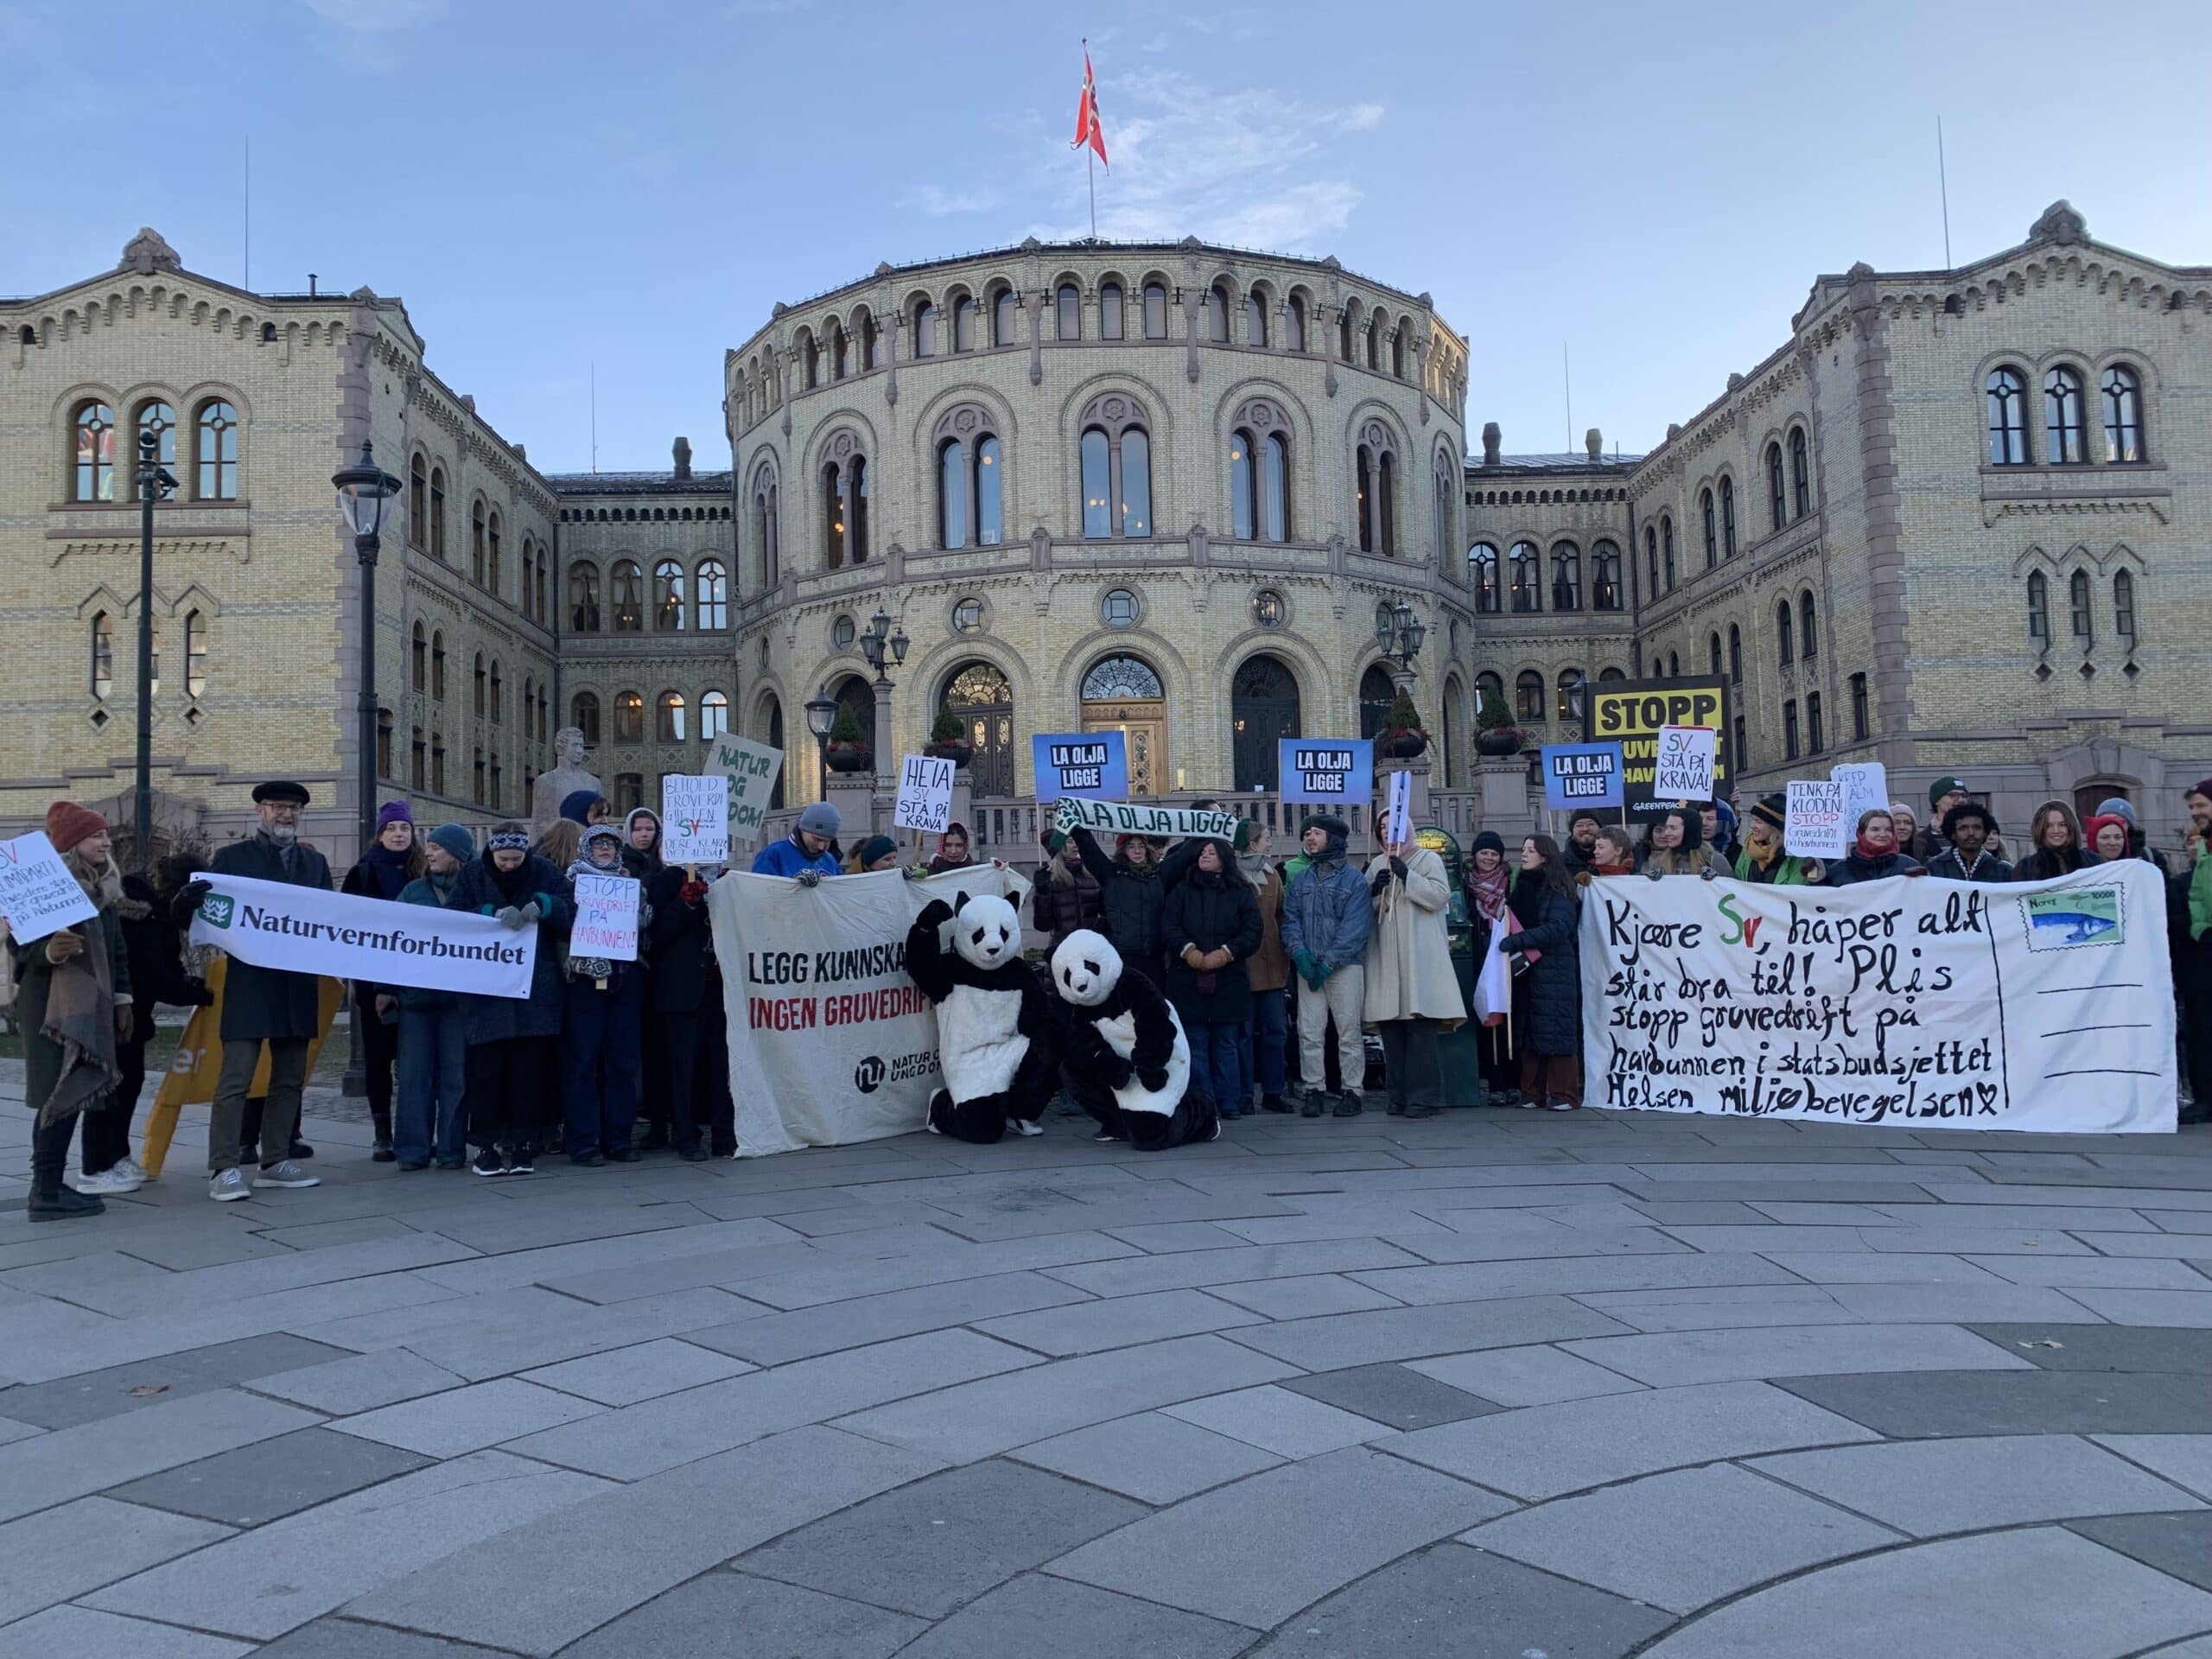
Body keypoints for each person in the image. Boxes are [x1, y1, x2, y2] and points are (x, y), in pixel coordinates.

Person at [172, 781, 327, 1203]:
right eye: (278, 807)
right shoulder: (232, 858)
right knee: (236, 1078)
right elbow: (201, 921)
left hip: (297, 982)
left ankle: (275, 1159)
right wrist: (184, 904)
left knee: (290, 1078)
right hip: (250, 982)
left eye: (293, 808)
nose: (286, 815)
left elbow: (332, 921)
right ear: (260, 811)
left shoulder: (314, 863)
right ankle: (223, 1167)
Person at [18, 804, 134, 1221]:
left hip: (94, 1004)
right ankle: (45, 1190)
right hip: (50, 1008)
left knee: (71, 1094)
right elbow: (20, 948)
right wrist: (48, 951)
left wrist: (123, 999)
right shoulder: (44, 887)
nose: (105, 842)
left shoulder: (106, 888)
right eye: (95, 836)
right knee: (57, 1095)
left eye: (105, 835)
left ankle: (50, 1186)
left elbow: (118, 951)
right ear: (71, 845)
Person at [75, 851, 211, 1195]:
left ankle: (115, 1155)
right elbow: (155, 976)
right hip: (117, 1015)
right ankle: (97, 1165)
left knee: (126, 1084)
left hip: (126, 1014)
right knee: (113, 1089)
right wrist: (198, 991)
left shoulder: (146, 911)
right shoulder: (148, 920)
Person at [446, 822, 570, 1176]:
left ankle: (524, 1145)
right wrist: (489, 915)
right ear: (492, 853)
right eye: (503, 859)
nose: (510, 865)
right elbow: (452, 916)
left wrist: (543, 907)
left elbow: (571, 907)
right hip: (487, 995)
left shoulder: (544, 871)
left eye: (516, 859)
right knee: (487, 1074)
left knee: (529, 1075)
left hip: (535, 991)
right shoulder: (472, 873)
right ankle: (486, 1147)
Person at [340, 801, 424, 1160]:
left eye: (404, 828)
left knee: (414, 1059)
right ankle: (381, 1133)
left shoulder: (422, 870)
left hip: (418, 982)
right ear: (380, 833)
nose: (398, 835)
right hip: (375, 980)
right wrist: (375, 984)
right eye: (391, 829)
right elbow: (352, 927)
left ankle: (413, 1129)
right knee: (378, 1057)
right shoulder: (363, 873)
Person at [559, 823, 646, 1166]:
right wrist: (579, 961)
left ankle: (619, 1138)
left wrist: (641, 909)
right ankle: (583, 1141)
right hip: (585, 984)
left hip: (624, 982)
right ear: (586, 850)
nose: (605, 850)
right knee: (583, 1062)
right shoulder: (571, 882)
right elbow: (561, 930)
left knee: (622, 1062)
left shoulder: (630, 882)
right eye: (598, 846)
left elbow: (644, 927)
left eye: (610, 844)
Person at [1160, 835, 1262, 1118]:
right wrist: (1189, 951)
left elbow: (1253, 930)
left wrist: (1227, 952)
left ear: (1223, 859)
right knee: (1196, 1044)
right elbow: (1169, 926)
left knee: (1226, 1044)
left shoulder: (1240, 892)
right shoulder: (1182, 891)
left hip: (1228, 979)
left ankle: (1228, 1101)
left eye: (1211, 852)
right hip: (1187, 978)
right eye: (1202, 852)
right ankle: (1203, 1101)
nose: (1204, 856)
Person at [1363, 811, 1459, 1120]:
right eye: (1381, 827)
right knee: (1392, 1034)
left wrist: (1407, 875)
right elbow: (1365, 911)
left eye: (1393, 826)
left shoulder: (1428, 859)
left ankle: (1425, 1098)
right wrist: (1374, 891)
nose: (1386, 831)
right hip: (1388, 957)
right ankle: (1398, 1097)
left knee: (1420, 1034)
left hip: (1419, 957)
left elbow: (1440, 897)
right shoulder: (1378, 864)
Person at [1281, 813, 1373, 1119]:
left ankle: (1352, 1091)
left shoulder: (1354, 880)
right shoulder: (1302, 878)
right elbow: (1290, 919)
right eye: (1307, 833)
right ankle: (1313, 1090)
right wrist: (1301, 955)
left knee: (1348, 1032)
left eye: (1316, 833)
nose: (1309, 838)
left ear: (1333, 839)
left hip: (1344, 967)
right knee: (1309, 1031)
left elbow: (1356, 929)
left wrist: (1328, 963)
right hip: (1309, 967)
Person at [394, 823, 474, 1170]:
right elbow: (389, 938)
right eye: (428, 847)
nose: (429, 852)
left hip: (457, 1003)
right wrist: (387, 990)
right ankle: (412, 1151)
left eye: (437, 847)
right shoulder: (413, 891)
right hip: (417, 1001)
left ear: (456, 854)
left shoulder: (474, 892)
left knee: (456, 1078)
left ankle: (452, 1150)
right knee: (414, 1077)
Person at [646, 858, 731, 1159]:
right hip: (681, 990)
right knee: (684, 1068)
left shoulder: (728, 878)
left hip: (720, 988)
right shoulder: (668, 878)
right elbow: (657, 932)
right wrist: (687, 902)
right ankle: (686, 1136)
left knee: (720, 1065)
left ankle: (724, 1135)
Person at [1501, 835, 1582, 1112]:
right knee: (1529, 1029)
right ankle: (1531, 1092)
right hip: (1526, 969)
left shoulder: (1558, 889)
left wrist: (1519, 941)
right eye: (1523, 849)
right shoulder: (1521, 886)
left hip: (1553, 968)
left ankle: (1563, 1093)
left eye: (1530, 850)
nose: (1524, 854)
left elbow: (1559, 929)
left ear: (1545, 856)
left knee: (1556, 1029)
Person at [1068, 823, 1167, 989]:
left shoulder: (1158, 875)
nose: (1137, 851)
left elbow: (1183, 857)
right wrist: (1075, 824)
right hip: (1123, 956)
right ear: (1123, 850)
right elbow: (1090, 849)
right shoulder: (1111, 874)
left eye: (1141, 846)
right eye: (1131, 847)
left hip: (1154, 957)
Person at [1236, 823, 1293, 1115]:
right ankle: (1244, 1094)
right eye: (1266, 840)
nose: (1269, 844)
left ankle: (1274, 1091)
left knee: (1276, 1034)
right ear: (1251, 843)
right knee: (1242, 1037)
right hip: (1242, 970)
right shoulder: (1232, 876)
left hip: (1273, 969)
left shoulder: (1272, 878)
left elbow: (1282, 914)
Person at [1463, 830, 1523, 1104]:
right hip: (1479, 961)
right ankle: (1495, 1083)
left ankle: (1514, 1082)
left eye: (1494, 854)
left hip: (1507, 962)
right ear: (1475, 855)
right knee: (1487, 1022)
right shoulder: (1464, 884)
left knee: (1510, 1024)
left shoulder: (1512, 883)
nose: (1489, 858)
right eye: (1484, 852)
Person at [2168, 779, 2212, 1125]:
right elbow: (2197, 896)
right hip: (2203, 950)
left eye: (2201, 806)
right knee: (2201, 1026)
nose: (2196, 813)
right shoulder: (2207, 849)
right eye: (2193, 807)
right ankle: (2205, 1096)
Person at [1032, 829, 1105, 950]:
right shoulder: (1048, 879)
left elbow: (1105, 912)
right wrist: (1042, 894)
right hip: (1063, 950)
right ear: (1058, 848)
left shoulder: (1091, 874)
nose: (1075, 845)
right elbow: (1043, 925)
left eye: (1076, 840)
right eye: (1070, 841)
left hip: (1092, 949)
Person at [1733, 794, 1824, 885]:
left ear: (1775, 827)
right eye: (1753, 820)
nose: (1752, 825)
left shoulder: (1796, 858)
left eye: (1759, 822)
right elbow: (1737, 883)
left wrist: (1815, 874)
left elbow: (1802, 891)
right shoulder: (1748, 849)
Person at [1825, 808, 1924, 885]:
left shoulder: (1909, 865)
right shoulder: (1839, 871)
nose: (1883, 834)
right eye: (1875, 829)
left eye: (1888, 830)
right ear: (1860, 833)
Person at [753, 801, 842, 881]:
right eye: (817, 839)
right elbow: (760, 893)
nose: (821, 847)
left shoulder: (829, 860)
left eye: (827, 841)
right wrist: (794, 887)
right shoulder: (772, 855)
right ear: (803, 829)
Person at [2012, 799, 2099, 881]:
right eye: (2048, 826)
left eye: (2062, 825)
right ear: (2040, 829)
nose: (2056, 831)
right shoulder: (2025, 867)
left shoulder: (2093, 861)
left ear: (2071, 827)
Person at [1925, 804, 2012, 883]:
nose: (1971, 833)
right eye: (1963, 828)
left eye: (1977, 827)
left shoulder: (2003, 870)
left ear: (1985, 832)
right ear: (1953, 834)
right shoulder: (1935, 867)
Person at [1640, 806, 1731, 879]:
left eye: (1673, 828)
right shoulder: (1660, 863)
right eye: (1667, 827)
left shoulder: (1715, 861)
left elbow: (1732, 895)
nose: (1666, 833)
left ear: (1689, 831)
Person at [2096, 796, 2171, 875]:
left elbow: (2164, 885)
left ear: (2129, 825)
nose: (2112, 826)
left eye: (2118, 821)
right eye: (2105, 822)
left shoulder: (2151, 856)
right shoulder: (2086, 858)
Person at [1915, 777, 1971, 862]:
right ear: (1937, 801)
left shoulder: (1977, 834)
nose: (1961, 800)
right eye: (1953, 795)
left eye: (1964, 796)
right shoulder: (1922, 840)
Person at [621, 807, 664, 882]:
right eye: (637, 829)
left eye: (649, 829)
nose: (644, 834)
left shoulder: (665, 860)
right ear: (628, 831)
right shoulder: (619, 862)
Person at [1562, 809, 1605, 877]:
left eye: (1591, 824)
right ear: (1572, 831)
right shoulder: (1559, 865)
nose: (1585, 829)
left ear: (1600, 828)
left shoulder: (1614, 862)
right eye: (1579, 825)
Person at [1700, 801, 1742, 867]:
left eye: (1710, 819)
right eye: (1700, 818)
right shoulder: (1691, 852)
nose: (1703, 823)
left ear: (1726, 822)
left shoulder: (1742, 856)